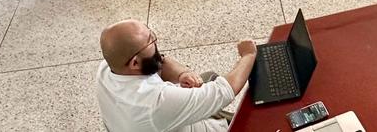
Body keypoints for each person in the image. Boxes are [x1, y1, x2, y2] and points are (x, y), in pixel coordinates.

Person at [97, 19, 257, 132]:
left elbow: (159, 61)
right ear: (135, 63)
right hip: (195, 125)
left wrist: (183, 73)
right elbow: (225, 91)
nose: (155, 40)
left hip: (165, 120)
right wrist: (248, 55)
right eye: (150, 40)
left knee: (208, 77)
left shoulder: (109, 66)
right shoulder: (154, 103)